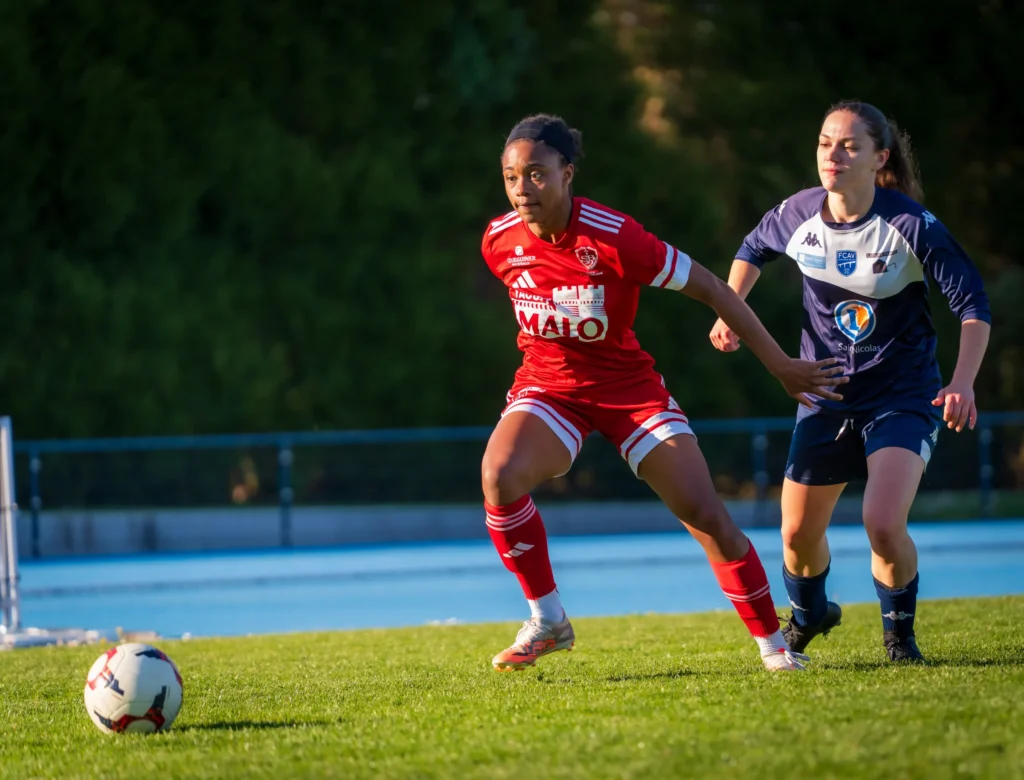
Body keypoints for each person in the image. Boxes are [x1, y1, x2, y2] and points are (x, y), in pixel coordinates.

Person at [480, 113, 848, 673]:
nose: (522, 189)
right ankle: (548, 619)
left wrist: (780, 365)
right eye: (511, 177)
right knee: (499, 476)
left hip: (629, 392)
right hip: (549, 389)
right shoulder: (499, 240)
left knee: (704, 512)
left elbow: (714, 289)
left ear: (567, 173)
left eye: (536, 174)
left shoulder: (615, 236)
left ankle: (774, 647)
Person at [709, 101, 991, 662]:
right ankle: (810, 614)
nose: (832, 155)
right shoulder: (798, 211)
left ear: (879, 158)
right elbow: (752, 248)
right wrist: (730, 307)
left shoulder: (910, 224)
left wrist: (962, 382)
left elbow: (973, 305)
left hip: (902, 395)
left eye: (849, 146)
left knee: (882, 524)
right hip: (826, 395)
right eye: (824, 143)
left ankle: (899, 639)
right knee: (795, 535)